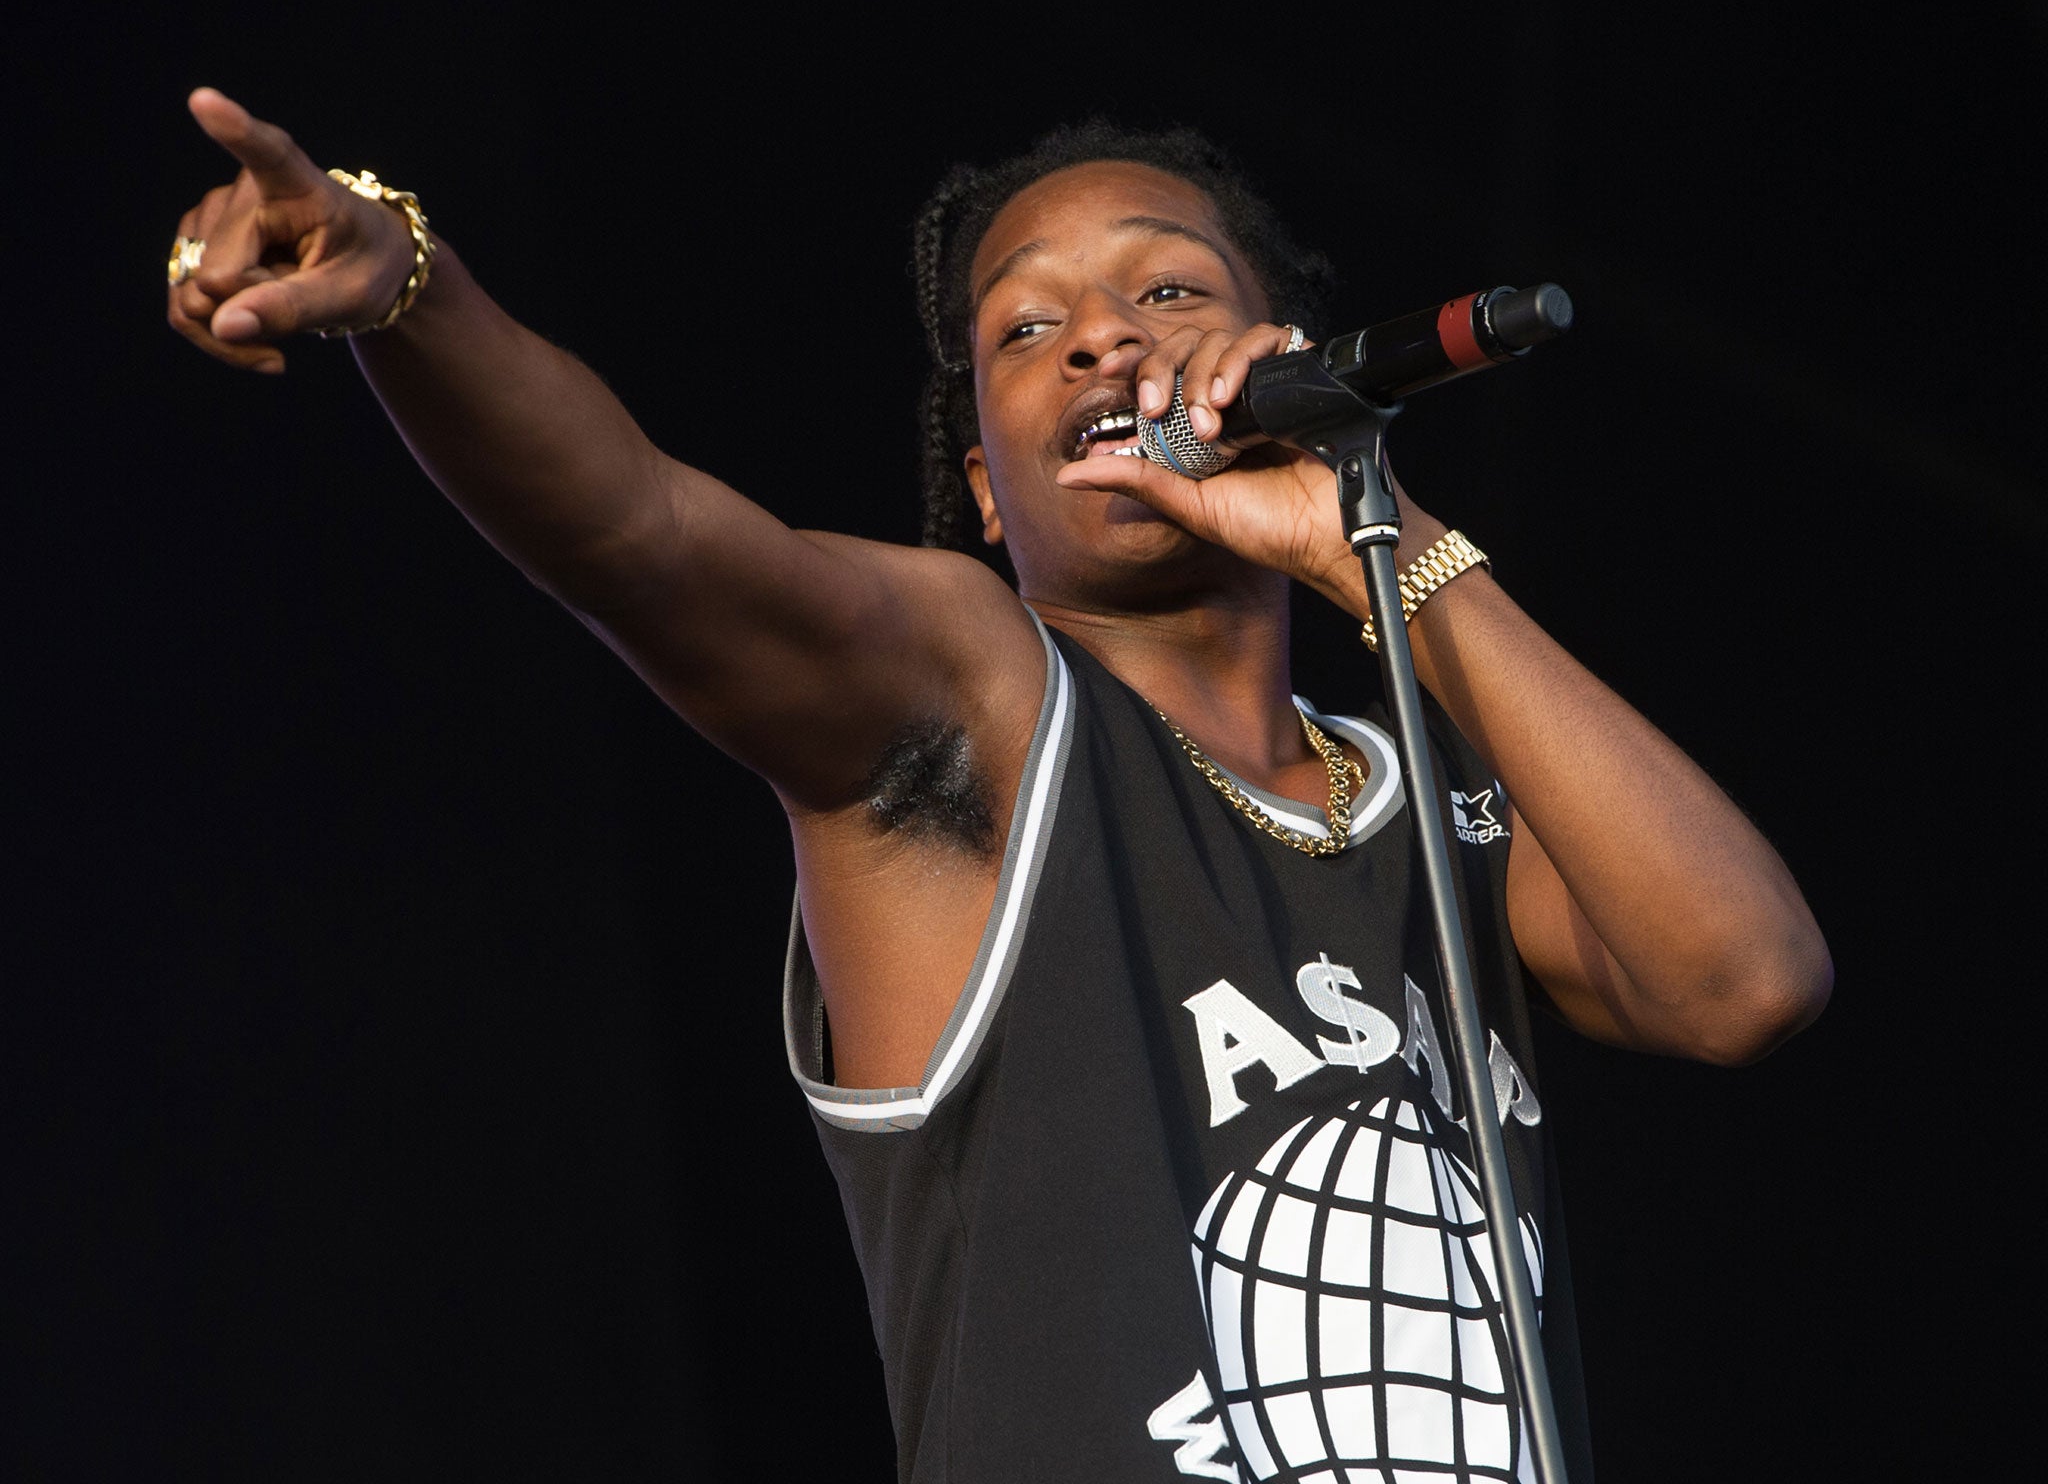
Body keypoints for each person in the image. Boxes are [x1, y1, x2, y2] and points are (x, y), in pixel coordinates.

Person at [167, 89, 1832, 1482]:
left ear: (1281, 359)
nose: (1103, 334)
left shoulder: (1432, 794)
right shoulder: (977, 708)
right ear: (980, 482)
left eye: (1169, 295)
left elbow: (1743, 980)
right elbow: (641, 537)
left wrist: (1372, 546)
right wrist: (410, 290)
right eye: (1026, 327)